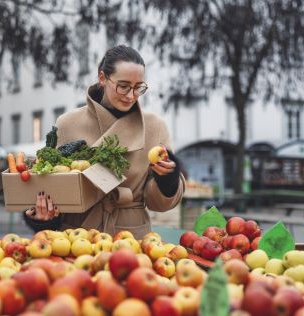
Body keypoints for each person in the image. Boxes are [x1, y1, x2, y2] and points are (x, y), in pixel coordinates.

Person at [23, 45, 186, 239]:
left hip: (130, 235)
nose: (131, 95)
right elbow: (54, 186)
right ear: (102, 78)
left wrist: (167, 179)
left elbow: (158, 203)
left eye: (138, 87)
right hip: (77, 235)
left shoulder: (154, 126)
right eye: (123, 86)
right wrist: (45, 218)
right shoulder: (67, 123)